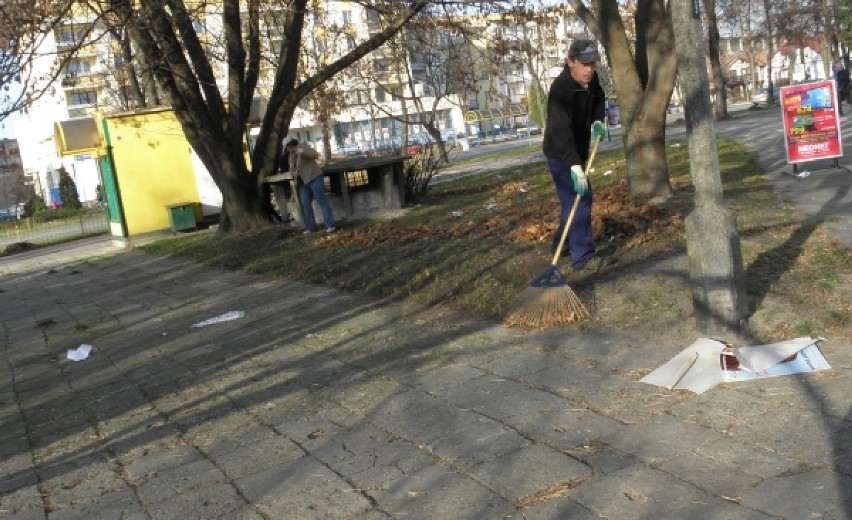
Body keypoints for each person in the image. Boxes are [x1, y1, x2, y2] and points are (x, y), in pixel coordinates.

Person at [542, 39, 607, 271]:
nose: (589, 69)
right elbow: (561, 132)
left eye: (593, 63)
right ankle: (583, 257)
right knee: (581, 198)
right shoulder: (561, 89)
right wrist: (574, 165)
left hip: (577, 151)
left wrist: (598, 120)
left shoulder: (592, 80)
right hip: (560, 153)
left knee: (573, 201)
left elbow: (600, 99)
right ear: (570, 62)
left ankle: (562, 243)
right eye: (584, 63)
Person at [286, 138, 336, 234]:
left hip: (314, 176)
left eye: (288, 148)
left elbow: (315, 155)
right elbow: (291, 167)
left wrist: (303, 152)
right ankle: (310, 226)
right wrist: (293, 173)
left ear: (292, 146)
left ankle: (330, 225)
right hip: (303, 181)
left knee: (321, 201)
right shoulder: (291, 155)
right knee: (305, 204)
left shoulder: (304, 147)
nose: (288, 151)